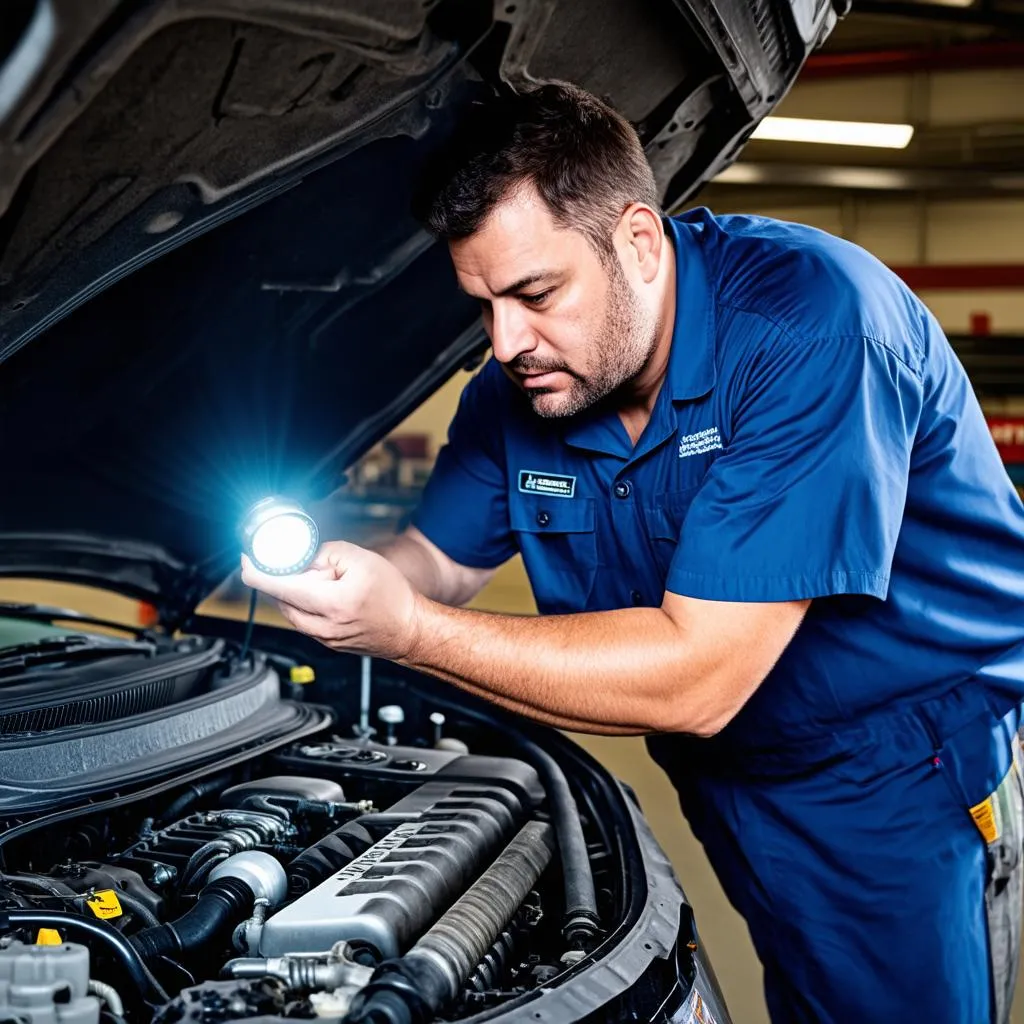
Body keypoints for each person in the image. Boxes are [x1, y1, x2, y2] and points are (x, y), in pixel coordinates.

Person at [241, 82, 1024, 1023]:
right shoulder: (524, 386)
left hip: (895, 773)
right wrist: (338, 580)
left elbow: (699, 677)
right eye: (482, 303)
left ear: (640, 242)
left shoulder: (812, 325)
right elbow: (434, 563)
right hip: (725, 771)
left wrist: (406, 632)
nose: (506, 343)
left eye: (535, 293)